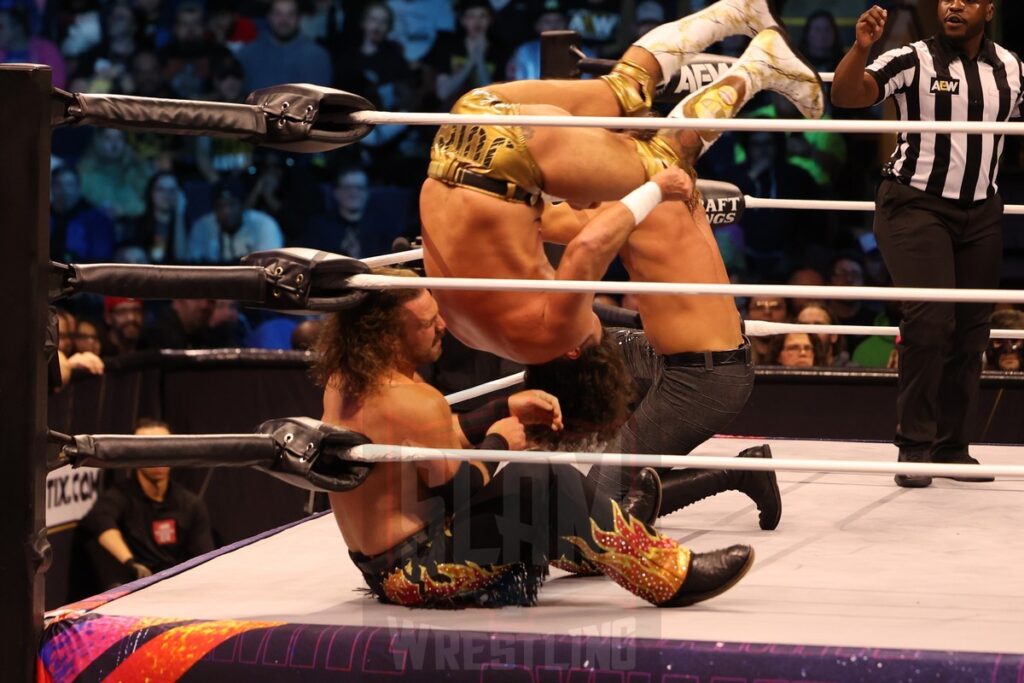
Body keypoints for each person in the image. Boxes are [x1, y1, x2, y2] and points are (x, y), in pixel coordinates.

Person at [316, 268, 754, 608]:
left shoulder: (350, 382)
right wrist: (501, 442)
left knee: (535, 484)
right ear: (389, 335)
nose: (443, 327)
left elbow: (429, 442)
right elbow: (454, 487)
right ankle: (669, 577)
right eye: (428, 322)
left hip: (389, 563)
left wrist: (501, 410)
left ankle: (597, 545)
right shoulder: (410, 399)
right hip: (417, 572)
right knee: (545, 481)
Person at [421, 0, 824, 364]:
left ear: (575, 352)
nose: (601, 325)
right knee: (622, 89)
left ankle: (758, 69)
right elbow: (523, 224)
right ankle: (734, 12)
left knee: (664, 160)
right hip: (462, 127)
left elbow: (585, 248)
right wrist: (582, 190)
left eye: (603, 338)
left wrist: (655, 192)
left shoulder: (550, 337)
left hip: (507, 161)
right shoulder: (467, 330)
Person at [830, 1, 1022, 488]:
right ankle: (914, 448)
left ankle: (952, 448)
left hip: (981, 210)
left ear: (989, 9)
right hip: (914, 204)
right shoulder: (912, 59)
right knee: (931, 316)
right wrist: (861, 48)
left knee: (972, 329)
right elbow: (849, 95)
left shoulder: (1013, 68)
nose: (954, 4)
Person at [80, 420, 215, 588]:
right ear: (133, 455)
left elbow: (204, 558)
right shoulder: (119, 497)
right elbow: (100, 521)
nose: (157, 457)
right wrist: (131, 563)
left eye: (164, 449)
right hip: (134, 592)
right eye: (148, 449)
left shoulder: (191, 504)